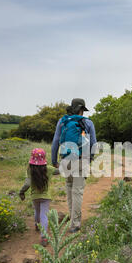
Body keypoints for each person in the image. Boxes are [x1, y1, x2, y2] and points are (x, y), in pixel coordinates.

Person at [51, 98, 97, 233]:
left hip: (66, 159)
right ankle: (75, 224)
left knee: (69, 189)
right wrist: (90, 159)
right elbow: (94, 143)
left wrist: (54, 160)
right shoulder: (88, 123)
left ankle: (72, 217)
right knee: (77, 192)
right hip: (81, 160)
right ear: (82, 110)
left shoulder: (63, 121)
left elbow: (55, 142)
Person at [19, 148, 59, 246]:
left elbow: (27, 183)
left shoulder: (30, 169)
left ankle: (37, 225)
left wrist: (22, 192)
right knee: (44, 215)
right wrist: (58, 164)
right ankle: (44, 237)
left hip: (35, 196)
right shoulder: (48, 169)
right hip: (46, 197)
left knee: (37, 212)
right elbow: (59, 171)